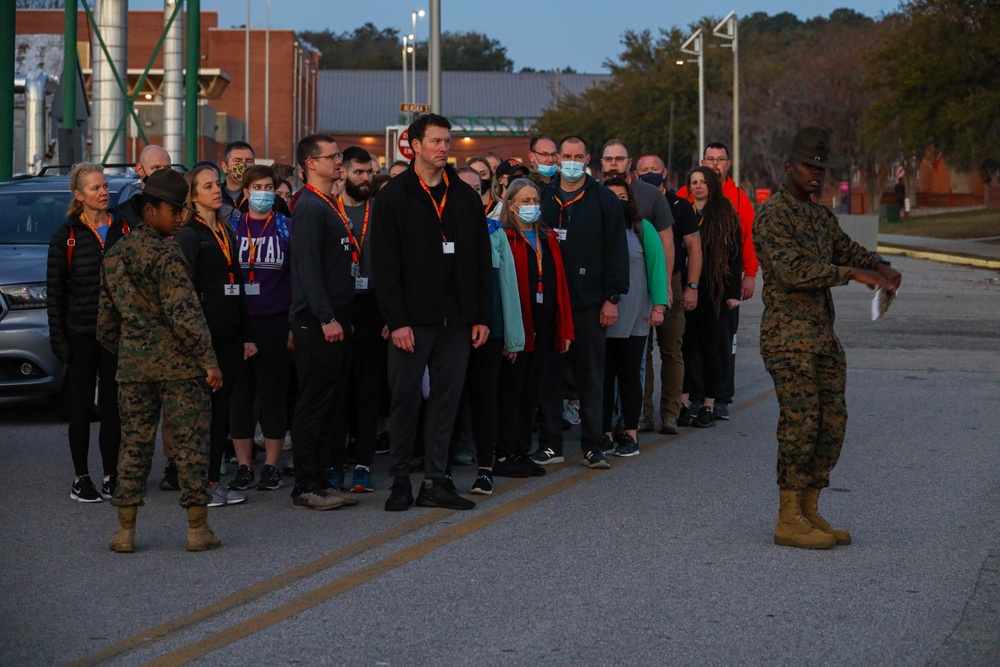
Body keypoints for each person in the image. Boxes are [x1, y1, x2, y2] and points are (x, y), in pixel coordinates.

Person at [755, 125, 900, 549]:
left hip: (822, 337)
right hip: (787, 339)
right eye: (807, 166)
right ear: (788, 167)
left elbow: (847, 248)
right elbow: (792, 270)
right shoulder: (773, 216)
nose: (815, 174)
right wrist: (854, 274)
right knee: (800, 425)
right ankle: (787, 517)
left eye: (821, 167)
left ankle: (809, 506)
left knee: (831, 423)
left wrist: (880, 264)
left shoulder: (820, 217)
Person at [97, 168, 223, 553]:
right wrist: (209, 360)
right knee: (191, 445)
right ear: (150, 211)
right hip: (180, 368)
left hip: (134, 368)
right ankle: (198, 530)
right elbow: (184, 312)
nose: (181, 218)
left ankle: (124, 531)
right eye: (174, 211)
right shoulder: (168, 254)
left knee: (133, 447)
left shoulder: (116, 254)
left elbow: (104, 322)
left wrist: (132, 348)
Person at [372, 113, 494, 512]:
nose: (444, 148)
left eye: (447, 141)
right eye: (437, 141)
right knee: (406, 400)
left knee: (447, 400)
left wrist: (481, 316)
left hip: (457, 320)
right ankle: (401, 481)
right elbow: (385, 266)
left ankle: (436, 481)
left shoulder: (463, 196)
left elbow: (479, 259)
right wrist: (397, 320)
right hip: (412, 321)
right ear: (415, 146)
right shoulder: (393, 196)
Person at [534, 135, 629, 469]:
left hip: (590, 304)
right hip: (549, 305)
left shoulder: (603, 200)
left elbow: (617, 252)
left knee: (591, 377)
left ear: (587, 158)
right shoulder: (542, 197)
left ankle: (593, 443)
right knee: (550, 376)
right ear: (557, 159)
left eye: (578, 156)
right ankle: (550, 444)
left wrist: (612, 298)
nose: (571, 162)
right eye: (566, 156)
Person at [47, 163, 130, 503]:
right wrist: (59, 341)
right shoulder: (65, 237)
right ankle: (81, 478)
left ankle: (112, 474)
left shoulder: (122, 228)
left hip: (116, 334)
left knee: (113, 406)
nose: (104, 192)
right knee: (81, 407)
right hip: (80, 333)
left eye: (105, 186)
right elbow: (56, 294)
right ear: (79, 196)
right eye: (96, 188)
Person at [176, 164, 256, 507]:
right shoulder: (189, 234)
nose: (215, 190)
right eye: (206, 186)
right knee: (203, 414)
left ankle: (211, 481)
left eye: (216, 184)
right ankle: (198, 485)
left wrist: (246, 334)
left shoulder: (225, 229)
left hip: (229, 334)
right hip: (203, 338)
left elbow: (236, 285)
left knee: (222, 411)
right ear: (193, 196)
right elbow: (187, 291)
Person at [286, 133, 359, 511]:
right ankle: (305, 486)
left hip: (338, 317)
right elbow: (309, 269)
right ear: (310, 164)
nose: (338, 162)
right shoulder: (309, 207)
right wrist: (326, 316)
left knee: (331, 403)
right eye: (330, 157)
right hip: (318, 322)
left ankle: (324, 479)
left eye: (338, 156)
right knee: (313, 403)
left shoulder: (330, 204)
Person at [451, 167, 524, 495]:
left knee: (484, 400)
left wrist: (512, 335)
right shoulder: (439, 230)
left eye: (476, 187)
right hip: (450, 331)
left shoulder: (494, 232)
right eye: (463, 187)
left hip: (488, 332)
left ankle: (485, 469)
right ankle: (444, 471)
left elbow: (508, 286)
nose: (470, 193)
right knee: (448, 402)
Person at [495, 178, 573, 477]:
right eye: (525, 201)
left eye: (535, 201)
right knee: (511, 391)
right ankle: (503, 454)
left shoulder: (548, 237)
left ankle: (521, 450)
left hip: (545, 322)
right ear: (510, 203)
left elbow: (561, 285)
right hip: (517, 325)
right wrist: (506, 334)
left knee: (532, 391)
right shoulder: (503, 236)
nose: (531, 206)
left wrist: (565, 329)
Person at [678, 142, 757, 419]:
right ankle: (690, 399)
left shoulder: (735, 200)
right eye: (709, 159)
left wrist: (748, 276)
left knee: (719, 344)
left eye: (719, 159)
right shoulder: (682, 202)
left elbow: (744, 244)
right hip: (687, 287)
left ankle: (718, 398)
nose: (714, 164)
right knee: (687, 345)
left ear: (728, 164)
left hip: (719, 288)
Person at [226, 164, 292, 493]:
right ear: (246, 191)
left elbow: (296, 277)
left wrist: (293, 323)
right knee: (240, 397)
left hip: (276, 322)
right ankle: (242, 466)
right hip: (240, 324)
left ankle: (270, 465)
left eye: (269, 186)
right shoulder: (232, 226)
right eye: (258, 187)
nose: (263, 192)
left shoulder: (284, 227)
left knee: (272, 396)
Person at [634, 154, 703, 435]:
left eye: (655, 169)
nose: (650, 173)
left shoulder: (680, 206)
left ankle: (671, 414)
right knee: (641, 351)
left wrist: (691, 286)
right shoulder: (632, 203)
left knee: (672, 350)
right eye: (644, 169)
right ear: (635, 173)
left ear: (665, 172)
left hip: (671, 280)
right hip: (639, 280)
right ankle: (643, 414)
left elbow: (694, 248)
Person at [600, 177, 667, 456]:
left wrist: (659, 306)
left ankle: (630, 434)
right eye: (611, 196)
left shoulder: (643, 229)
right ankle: (603, 433)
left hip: (635, 316)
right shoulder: (595, 230)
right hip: (601, 317)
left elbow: (656, 267)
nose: (618, 201)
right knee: (603, 378)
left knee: (629, 376)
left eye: (622, 196)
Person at [330, 147, 383, 494]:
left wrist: (393, 316)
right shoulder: (328, 210)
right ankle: (334, 462)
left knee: (368, 390)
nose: (365, 179)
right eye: (358, 172)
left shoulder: (380, 211)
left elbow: (396, 267)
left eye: (369, 173)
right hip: (337, 309)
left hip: (373, 309)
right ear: (343, 173)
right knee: (337, 389)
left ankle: (363, 463)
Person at [220, 141, 256, 210]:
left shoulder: (262, 197)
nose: (243, 164)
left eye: (249, 161)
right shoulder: (215, 196)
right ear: (225, 167)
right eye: (237, 160)